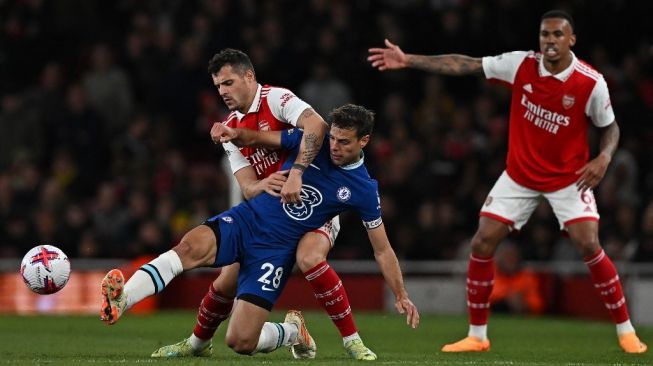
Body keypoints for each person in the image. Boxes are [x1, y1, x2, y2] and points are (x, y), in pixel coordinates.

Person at [368, 9, 647, 354]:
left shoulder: (591, 82)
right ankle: (477, 336)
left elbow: (611, 127)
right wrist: (408, 59)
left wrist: (603, 158)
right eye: (545, 34)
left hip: (567, 178)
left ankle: (626, 330)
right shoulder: (520, 64)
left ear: (571, 39)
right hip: (520, 176)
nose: (550, 40)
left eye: (558, 34)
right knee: (482, 242)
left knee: (588, 243)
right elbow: (465, 63)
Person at [100, 103, 420, 359]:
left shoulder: (363, 189)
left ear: (364, 141)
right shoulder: (314, 143)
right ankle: (124, 301)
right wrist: (232, 131)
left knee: (240, 341)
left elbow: (382, 249)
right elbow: (259, 138)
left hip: (275, 250)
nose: (333, 146)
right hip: (248, 220)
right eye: (333, 138)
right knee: (188, 247)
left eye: (343, 142)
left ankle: (292, 332)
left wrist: (401, 295)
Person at [150, 49, 377, 360]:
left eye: (228, 83)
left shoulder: (277, 100)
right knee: (226, 284)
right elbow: (247, 187)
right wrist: (259, 182)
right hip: (271, 214)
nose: (224, 91)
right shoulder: (230, 128)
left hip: (314, 206)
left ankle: (352, 340)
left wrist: (296, 172)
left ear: (248, 77)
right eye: (218, 86)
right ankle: (205, 342)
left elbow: (315, 127)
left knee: (310, 256)